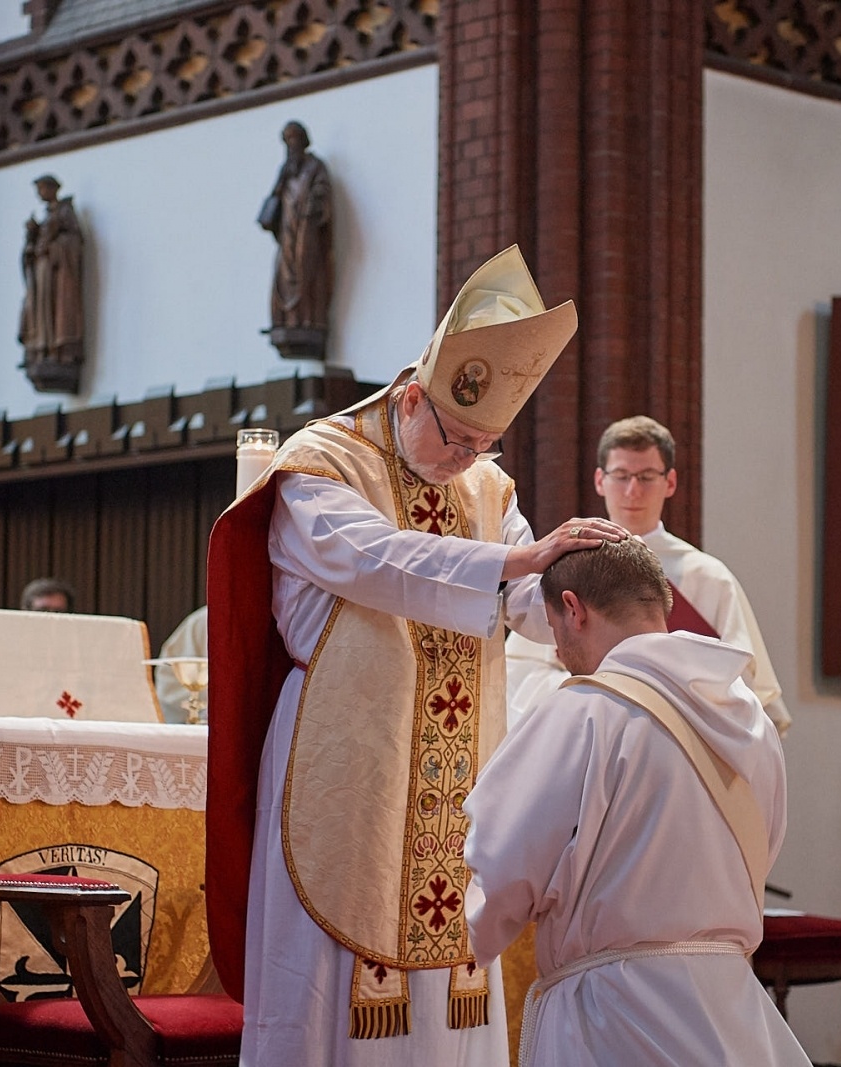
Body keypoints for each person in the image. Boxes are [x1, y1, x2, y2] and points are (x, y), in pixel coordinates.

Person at [206, 245, 623, 1065]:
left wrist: (586, 615)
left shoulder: (483, 488)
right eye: (460, 437)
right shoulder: (321, 463)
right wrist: (518, 563)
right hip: (347, 760)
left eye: (485, 444)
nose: (469, 460)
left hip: (456, 766)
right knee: (331, 973)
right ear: (409, 397)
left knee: (453, 979)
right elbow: (379, 562)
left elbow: (518, 603)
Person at [463, 538, 810, 1067]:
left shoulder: (582, 712)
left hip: (616, 1016)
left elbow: (504, 863)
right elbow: (765, 845)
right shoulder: (751, 722)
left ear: (573, 609)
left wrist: (468, 941)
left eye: (554, 628)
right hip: (731, 1009)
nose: (557, 649)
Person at [506, 415, 791, 733]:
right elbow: (521, 674)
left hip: (677, 743)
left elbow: (742, 687)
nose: (632, 491)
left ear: (670, 483)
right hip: (588, 733)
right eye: (621, 475)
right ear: (600, 480)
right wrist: (599, 692)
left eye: (646, 477)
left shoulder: (708, 577)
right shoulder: (566, 567)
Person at [258, 120, 332, 359]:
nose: (292, 146)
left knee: (306, 270)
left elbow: (322, 193)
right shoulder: (287, 170)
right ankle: (286, 321)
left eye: (295, 140)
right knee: (282, 272)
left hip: (306, 230)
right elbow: (275, 201)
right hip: (287, 233)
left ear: (303, 141)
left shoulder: (314, 167)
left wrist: (314, 205)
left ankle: (308, 320)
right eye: (287, 141)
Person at [18, 174, 85, 390]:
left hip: (57, 273)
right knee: (39, 311)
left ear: (52, 188)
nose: (39, 194)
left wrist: (54, 248)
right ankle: (40, 350)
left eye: (41, 189)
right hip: (42, 273)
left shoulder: (65, 212)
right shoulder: (48, 216)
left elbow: (74, 242)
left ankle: (59, 351)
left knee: (57, 312)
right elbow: (36, 247)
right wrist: (32, 238)